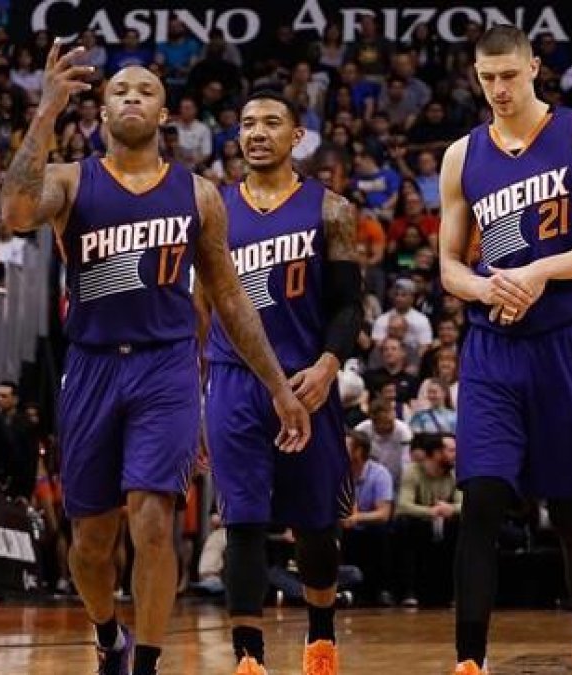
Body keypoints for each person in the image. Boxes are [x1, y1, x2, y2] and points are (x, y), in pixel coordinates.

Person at [0, 42, 311, 675]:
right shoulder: (69, 178)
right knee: (90, 542)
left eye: (145, 90)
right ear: (103, 110)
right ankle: (106, 632)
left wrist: (278, 385)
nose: (132, 97)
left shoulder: (198, 195)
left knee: (152, 521)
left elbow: (229, 297)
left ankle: (146, 662)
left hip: (165, 366)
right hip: (89, 365)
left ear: (166, 113)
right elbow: (14, 212)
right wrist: (47, 110)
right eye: (119, 90)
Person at [438, 24, 572, 675]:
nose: (497, 88)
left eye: (509, 76)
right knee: (482, 499)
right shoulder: (461, 155)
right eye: (486, 77)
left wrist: (540, 272)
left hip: (570, 341)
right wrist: (484, 284)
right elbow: (447, 265)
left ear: (533, 71)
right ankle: (470, 659)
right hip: (494, 345)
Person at [196, 91, 361, 675]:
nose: (257, 132)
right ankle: (249, 657)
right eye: (247, 124)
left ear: (298, 136)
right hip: (236, 384)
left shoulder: (332, 209)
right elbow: (199, 308)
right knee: (241, 519)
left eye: (271, 122)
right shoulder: (211, 209)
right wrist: (194, 392)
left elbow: (348, 307)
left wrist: (327, 365)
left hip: (306, 383)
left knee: (315, 528)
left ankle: (320, 635)